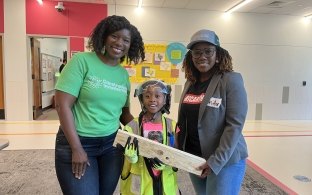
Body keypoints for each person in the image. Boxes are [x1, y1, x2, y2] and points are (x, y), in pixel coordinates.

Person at [54, 15, 145, 195]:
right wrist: (77, 148)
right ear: (104, 36)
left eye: (126, 40)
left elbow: (123, 113)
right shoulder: (82, 61)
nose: (120, 43)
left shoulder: (122, 75)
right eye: (114, 36)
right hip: (79, 141)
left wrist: (146, 128)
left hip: (112, 145)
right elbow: (62, 105)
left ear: (130, 46)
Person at [177, 29, 248, 195]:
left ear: (218, 54)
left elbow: (234, 125)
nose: (202, 56)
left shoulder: (230, 80)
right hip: (195, 159)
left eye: (208, 51)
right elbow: (184, 120)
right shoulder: (190, 82)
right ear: (191, 56)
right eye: (197, 52)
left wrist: (216, 161)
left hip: (224, 161)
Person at [119, 79, 179, 195]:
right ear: (141, 99)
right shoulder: (132, 127)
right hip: (140, 186)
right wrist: (131, 158)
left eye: (157, 96)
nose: (152, 99)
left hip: (166, 184)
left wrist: (167, 161)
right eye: (147, 96)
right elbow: (123, 157)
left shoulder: (172, 125)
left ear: (165, 99)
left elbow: (177, 153)